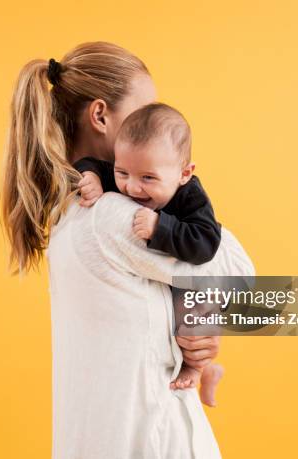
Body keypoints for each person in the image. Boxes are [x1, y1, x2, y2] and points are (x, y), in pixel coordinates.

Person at [0, 42, 254, 458]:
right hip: (150, 439)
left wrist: (198, 326)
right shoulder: (112, 217)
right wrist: (179, 193)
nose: (154, 124)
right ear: (100, 115)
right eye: (143, 112)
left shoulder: (72, 212)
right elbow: (243, 279)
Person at [73, 102, 225, 406]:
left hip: (194, 287)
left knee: (193, 317)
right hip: (164, 287)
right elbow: (90, 162)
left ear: (185, 173)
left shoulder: (191, 196)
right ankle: (206, 369)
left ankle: (198, 369)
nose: (131, 187)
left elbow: (207, 244)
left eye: (148, 178)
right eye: (121, 172)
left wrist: (162, 227)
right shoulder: (131, 169)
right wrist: (90, 176)